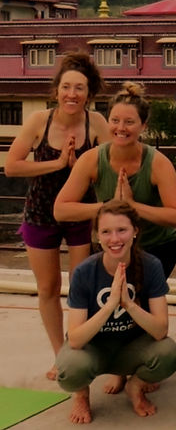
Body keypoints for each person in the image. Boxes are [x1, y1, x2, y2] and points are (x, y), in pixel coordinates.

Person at [4, 52, 110, 379]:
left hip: (80, 212)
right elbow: (11, 166)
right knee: (48, 288)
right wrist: (58, 164)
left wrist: (86, 171)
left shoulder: (97, 123)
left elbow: (109, 167)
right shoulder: (40, 121)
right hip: (40, 212)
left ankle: (78, 347)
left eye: (79, 88)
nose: (71, 94)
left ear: (89, 94)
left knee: (81, 287)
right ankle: (59, 354)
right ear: (56, 91)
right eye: (66, 87)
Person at [56, 201, 176, 424]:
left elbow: (161, 331)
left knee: (169, 353)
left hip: (131, 347)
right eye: (106, 231)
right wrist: (110, 304)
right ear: (97, 236)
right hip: (94, 349)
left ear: (135, 231)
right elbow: (75, 339)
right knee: (69, 368)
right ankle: (81, 395)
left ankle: (135, 385)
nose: (114, 239)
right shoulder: (84, 272)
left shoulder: (151, 265)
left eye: (122, 230)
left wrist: (128, 304)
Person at [55, 82, 176, 279]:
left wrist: (132, 206)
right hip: (110, 245)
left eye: (129, 122)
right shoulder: (92, 159)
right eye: (115, 120)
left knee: (141, 304)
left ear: (143, 125)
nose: (120, 128)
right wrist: (109, 206)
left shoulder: (157, 163)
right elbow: (61, 209)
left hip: (154, 246)